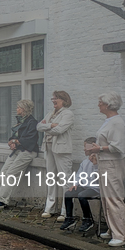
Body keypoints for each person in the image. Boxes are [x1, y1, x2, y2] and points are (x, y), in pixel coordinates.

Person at [86, 92, 125, 247]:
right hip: (106, 163)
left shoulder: (117, 122)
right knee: (106, 198)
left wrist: (99, 149)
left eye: (100, 102)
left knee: (114, 198)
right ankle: (113, 229)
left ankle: (121, 234)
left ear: (108, 105)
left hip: (113, 164)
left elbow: (118, 146)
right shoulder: (109, 121)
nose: (98, 104)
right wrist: (97, 153)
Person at [0, 99, 39, 211]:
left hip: (28, 151)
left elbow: (30, 139)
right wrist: (11, 141)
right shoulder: (20, 121)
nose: (16, 109)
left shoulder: (32, 122)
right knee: (3, 172)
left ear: (24, 109)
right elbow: (15, 135)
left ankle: (1, 200)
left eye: (18, 107)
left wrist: (16, 142)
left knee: (11, 174)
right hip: (18, 150)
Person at [37, 91, 75, 220]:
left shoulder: (68, 114)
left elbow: (60, 130)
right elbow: (38, 127)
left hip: (62, 149)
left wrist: (46, 126)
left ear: (64, 100)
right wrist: (51, 125)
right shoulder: (50, 113)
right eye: (53, 98)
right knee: (51, 178)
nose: (53, 100)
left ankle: (66, 211)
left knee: (65, 179)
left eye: (56, 98)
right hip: (48, 148)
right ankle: (50, 208)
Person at [59, 137, 100, 233]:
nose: (84, 149)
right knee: (68, 193)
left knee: (82, 196)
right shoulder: (84, 162)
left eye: (86, 147)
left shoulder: (99, 162)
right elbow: (79, 175)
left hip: (96, 188)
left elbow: (97, 179)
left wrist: (95, 165)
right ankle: (69, 218)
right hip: (85, 186)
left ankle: (87, 219)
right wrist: (75, 184)